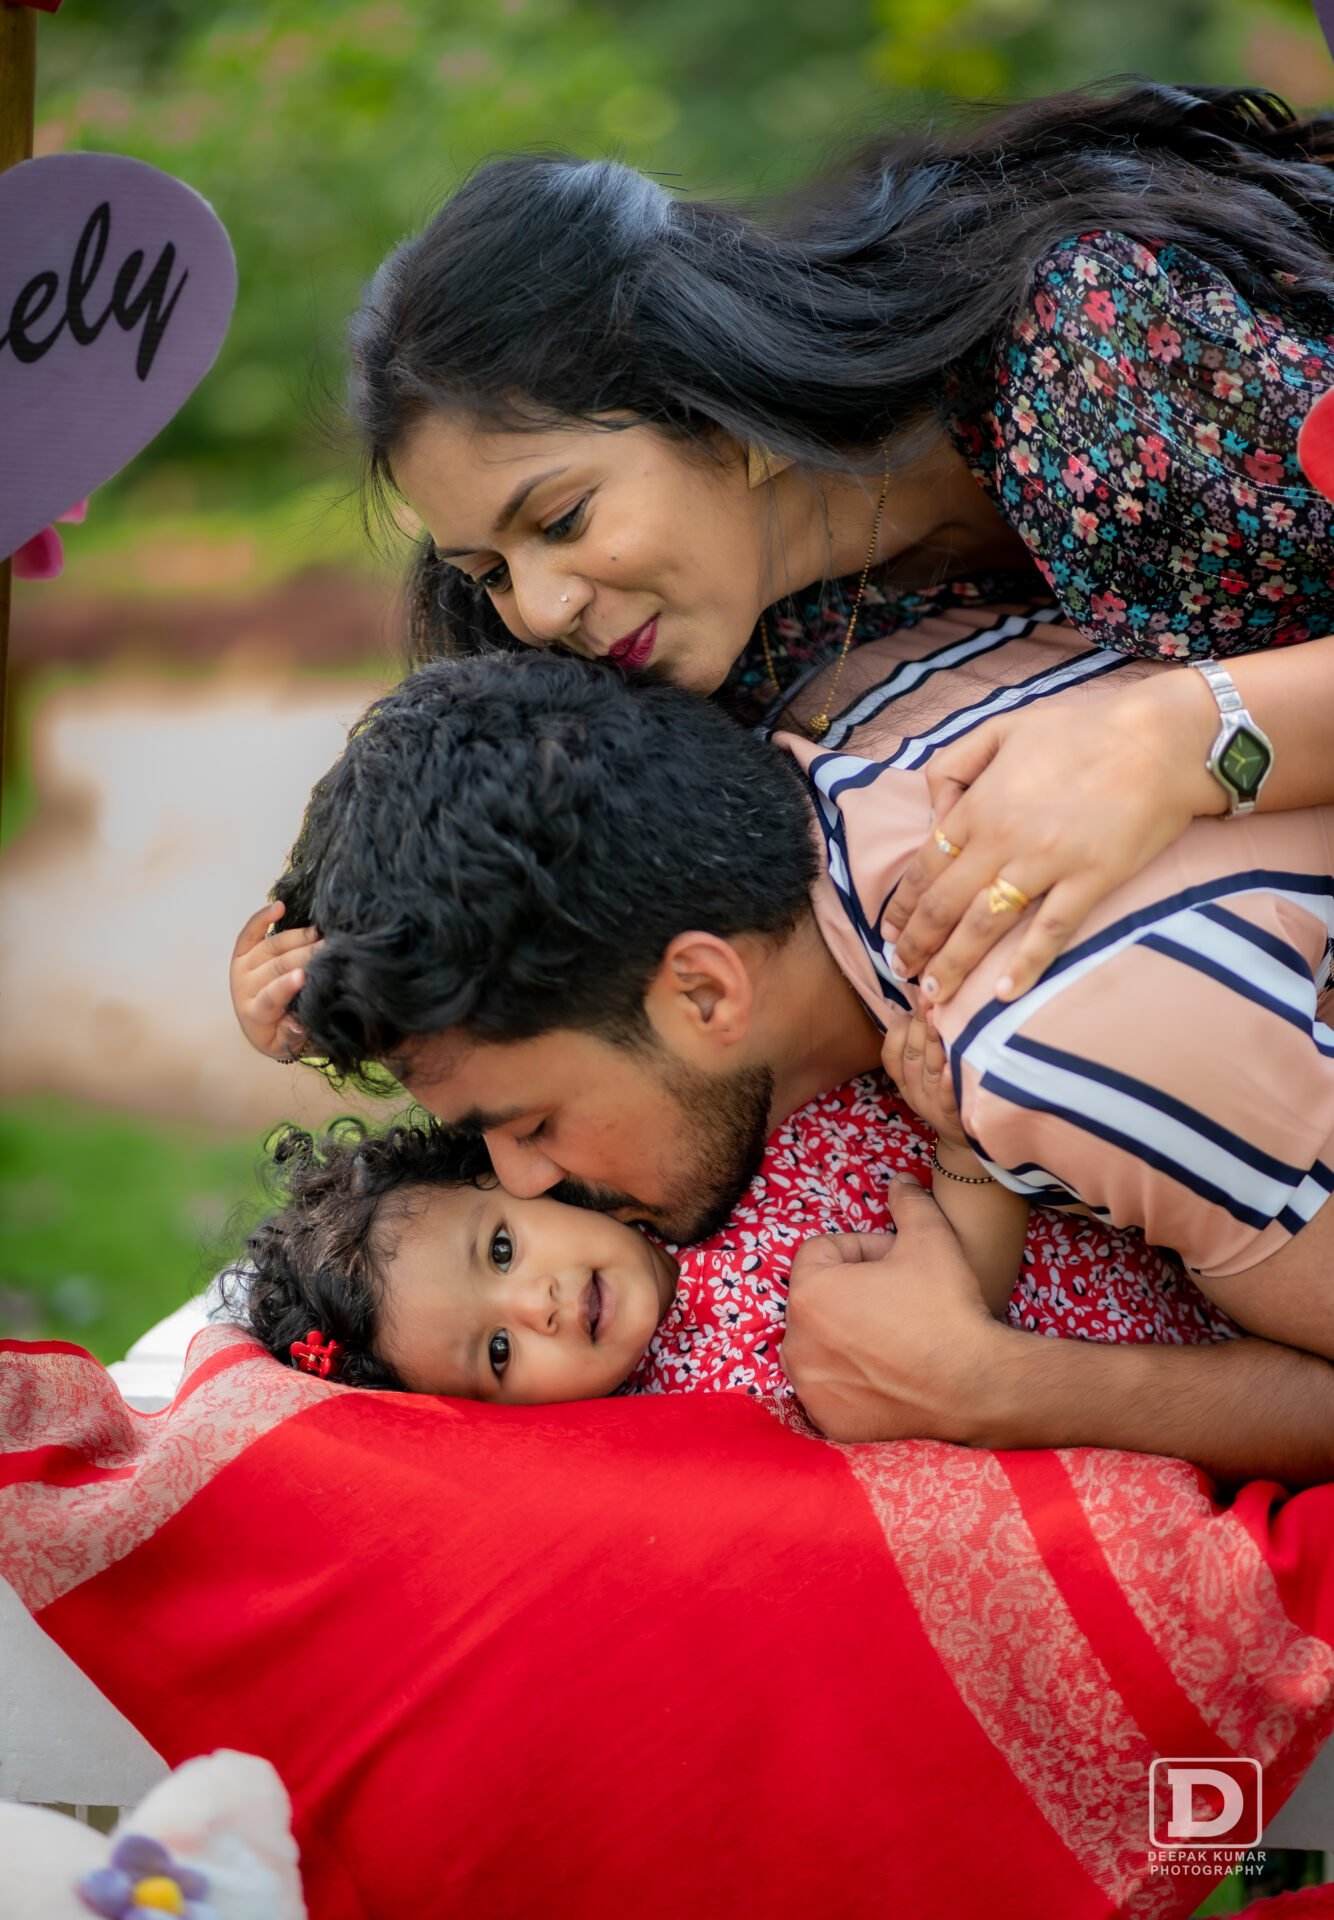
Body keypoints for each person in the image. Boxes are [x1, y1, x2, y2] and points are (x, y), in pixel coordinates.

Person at [229, 637, 1334, 1484]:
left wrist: (996, 1388)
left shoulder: (1046, 1051)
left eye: (530, 1123)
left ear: (705, 992)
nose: (518, 1178)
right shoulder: (844, 691)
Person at [346, 80, 1334, 1008]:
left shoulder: (1090, 345)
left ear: (712, 403)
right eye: (490, 572)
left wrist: (1173, 739)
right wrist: (358, 964)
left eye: (563, 520)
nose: (542, 608)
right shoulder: (730, 637)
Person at [236, 1071, 1234, 1407]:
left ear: (510, 1181)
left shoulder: (671, 1155)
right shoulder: (709, 1396)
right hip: (1168, 1355)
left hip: (1140, 1182)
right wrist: (964, 1144)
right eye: (498, 1353)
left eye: (501, 1251)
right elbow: (953, 1312)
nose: (536, 1303)